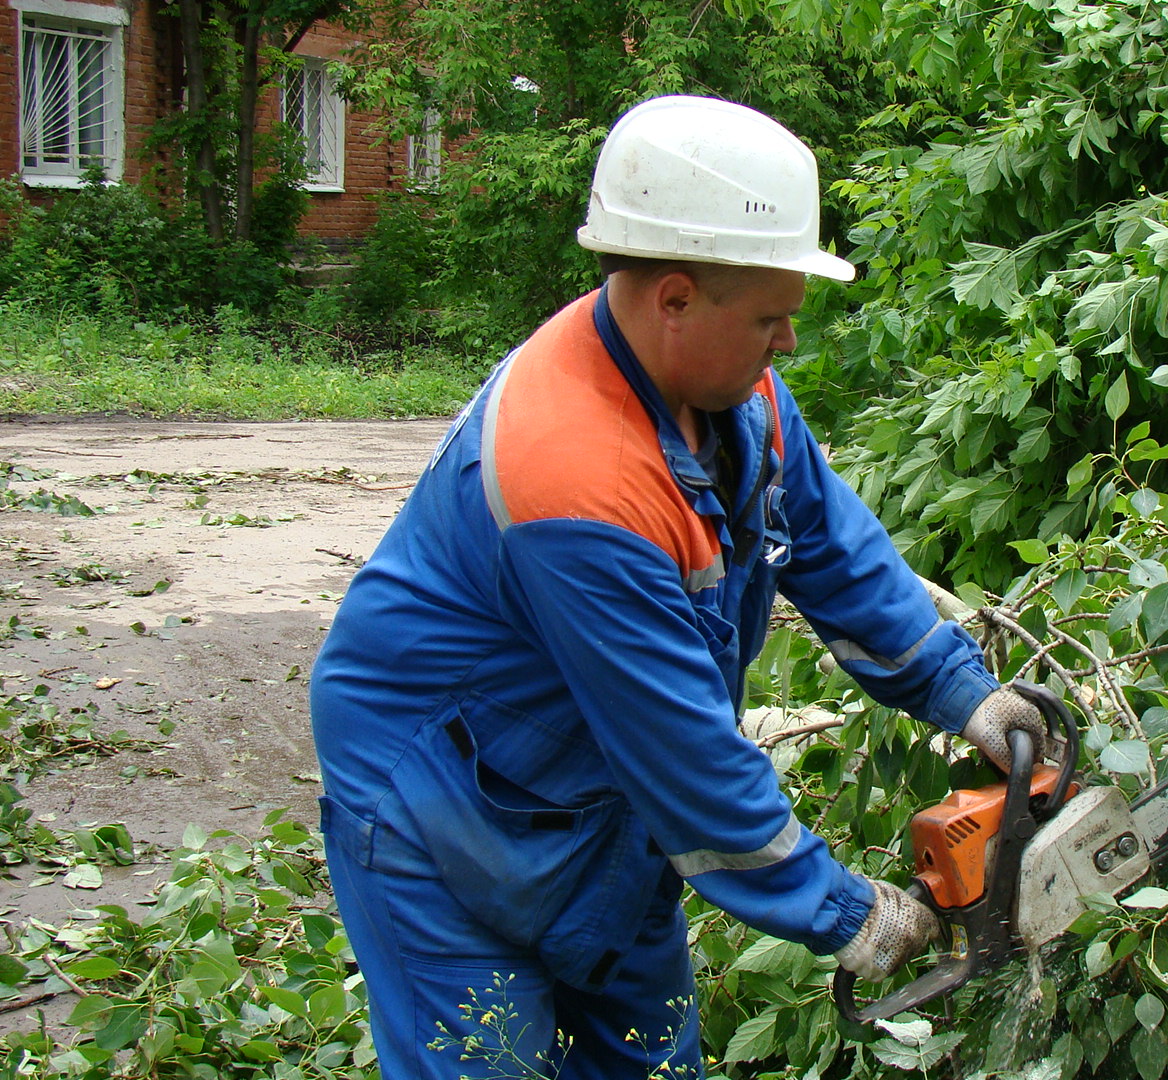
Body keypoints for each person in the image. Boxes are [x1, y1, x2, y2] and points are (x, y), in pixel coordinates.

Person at [308, 95, 1048, 1080]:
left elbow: (834, 549)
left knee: (654, 1063)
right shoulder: (573, 477)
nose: (788, 344)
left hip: (598, 792)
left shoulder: (733, 392)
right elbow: (685, 757)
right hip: (440, 807)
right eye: (771, 319)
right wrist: (842, 910)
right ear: (674, 299)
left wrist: (966, 694)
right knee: (491, 1057)